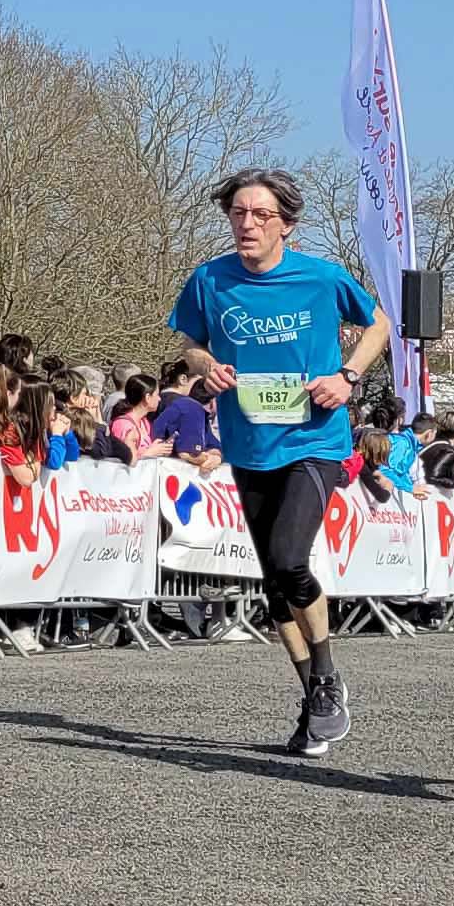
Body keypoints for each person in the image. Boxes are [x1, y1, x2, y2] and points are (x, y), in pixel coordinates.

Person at [166, 167, 393, 757]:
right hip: (248, 444)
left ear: (285, 224)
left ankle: (325, 676)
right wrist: (203, 366)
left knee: (292, 561)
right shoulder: (210, 279)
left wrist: (348, 377)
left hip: (314, 440)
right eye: (238, 213)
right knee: (274, 582)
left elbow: (380, 325)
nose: (247, 223)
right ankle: (318, 696)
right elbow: (189, 342)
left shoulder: (320, 277)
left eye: (261, 214)